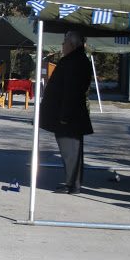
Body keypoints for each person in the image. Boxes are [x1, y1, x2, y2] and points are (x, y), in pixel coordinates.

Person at [39, 30, 93, 195]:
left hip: (69, 116)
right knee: (70, 151)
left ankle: (73, 184)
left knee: (70, 151)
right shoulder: (74, 60)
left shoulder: (74, 61)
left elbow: (71, 91)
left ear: (72, 44)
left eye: (65, 42)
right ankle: (72, 182)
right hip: (68, 114)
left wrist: (64, 116)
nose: (62, 45)